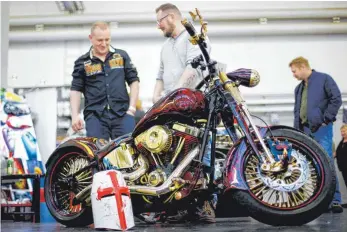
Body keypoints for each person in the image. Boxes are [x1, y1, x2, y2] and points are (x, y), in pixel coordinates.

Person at [151, 3, 215, 224]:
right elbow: (160, 74)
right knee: (173, 158)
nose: (158, 26)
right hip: (171, 108)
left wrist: (178, 93)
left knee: (198, 156)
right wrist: (156, 98)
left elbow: (195, 66)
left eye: (159, 21)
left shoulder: (191, 37)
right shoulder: (165, 47)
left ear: (169, 18)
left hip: (192, 106)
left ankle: (202, 205)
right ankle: (178, 206)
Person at [290, 56, 343, 213]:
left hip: (321, 128)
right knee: (313, 166)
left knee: (326, 162)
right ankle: (322, 202)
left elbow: (336, 99)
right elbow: (297, 112)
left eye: (294, 71)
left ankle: (335, 201)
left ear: (303, 67)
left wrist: (327, 119)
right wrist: (296, 132)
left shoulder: (324, 79)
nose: (293, 75)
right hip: (305, 131)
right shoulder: (298, 88)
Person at [70, 21, 140, 140]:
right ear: (91, 38)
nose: (104, 44)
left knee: (128, 151)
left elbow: (134, 81)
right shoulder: (82, 62)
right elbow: (75, 90)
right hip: (95, 117)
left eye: (107, 40)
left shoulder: (121, 56)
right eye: (99, 40)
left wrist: (132, 108)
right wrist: (75, 115)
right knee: (98, 154)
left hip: (122, 114)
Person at [336, 124, 347, 190]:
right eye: (341, 131)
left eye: (344, 131)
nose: (342, 133)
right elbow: (337, 153)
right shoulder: (341, 142)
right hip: (343, 168)